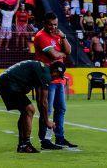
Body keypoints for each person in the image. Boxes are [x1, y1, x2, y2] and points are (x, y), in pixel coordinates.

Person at [0, 60, 62, 153]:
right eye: (58, 76)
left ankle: (22, 144)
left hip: (6, 81)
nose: (55, 79)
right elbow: (42, 101)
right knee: (29, 110)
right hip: (9, 83)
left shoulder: (41, 69)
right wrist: (47, 121)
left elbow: (40, 99)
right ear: (55, 72)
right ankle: (25, 144)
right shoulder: (45, 74)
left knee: (25, 111)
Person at [32, 13, 76, 149]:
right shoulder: (40, 36)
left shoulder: (58, 35)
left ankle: (60, 138)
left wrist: (63, 37)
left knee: (61, 109)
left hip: (59, 79)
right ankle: (45, 140)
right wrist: (62, 54)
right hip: (47, 77)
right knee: (47, 110)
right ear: (45, 23)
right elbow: (53, 55)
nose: (53, 27)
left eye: (55, 24)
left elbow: (69, 50)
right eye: (50, 24)